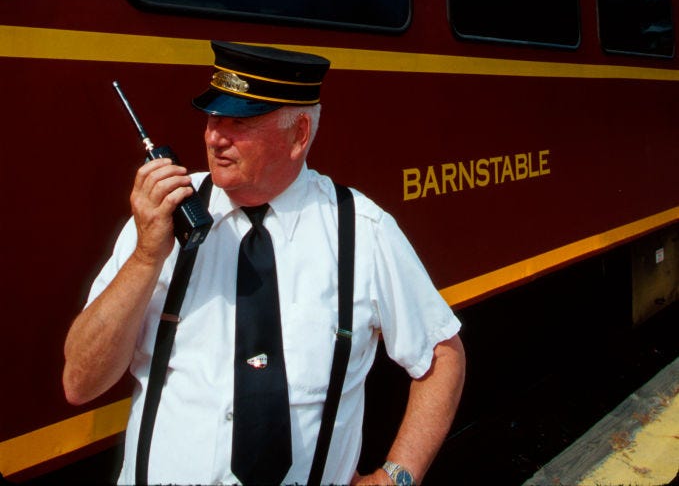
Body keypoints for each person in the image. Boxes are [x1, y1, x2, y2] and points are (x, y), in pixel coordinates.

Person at [63, 41, 465, 485]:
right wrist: (144, 259)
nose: (215, 137)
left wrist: (395, 477)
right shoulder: (161, 220)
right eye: (213, 117)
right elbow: (81, 383)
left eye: (240, 121)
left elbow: (441, 356)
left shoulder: (361, 229)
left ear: (299, 135)